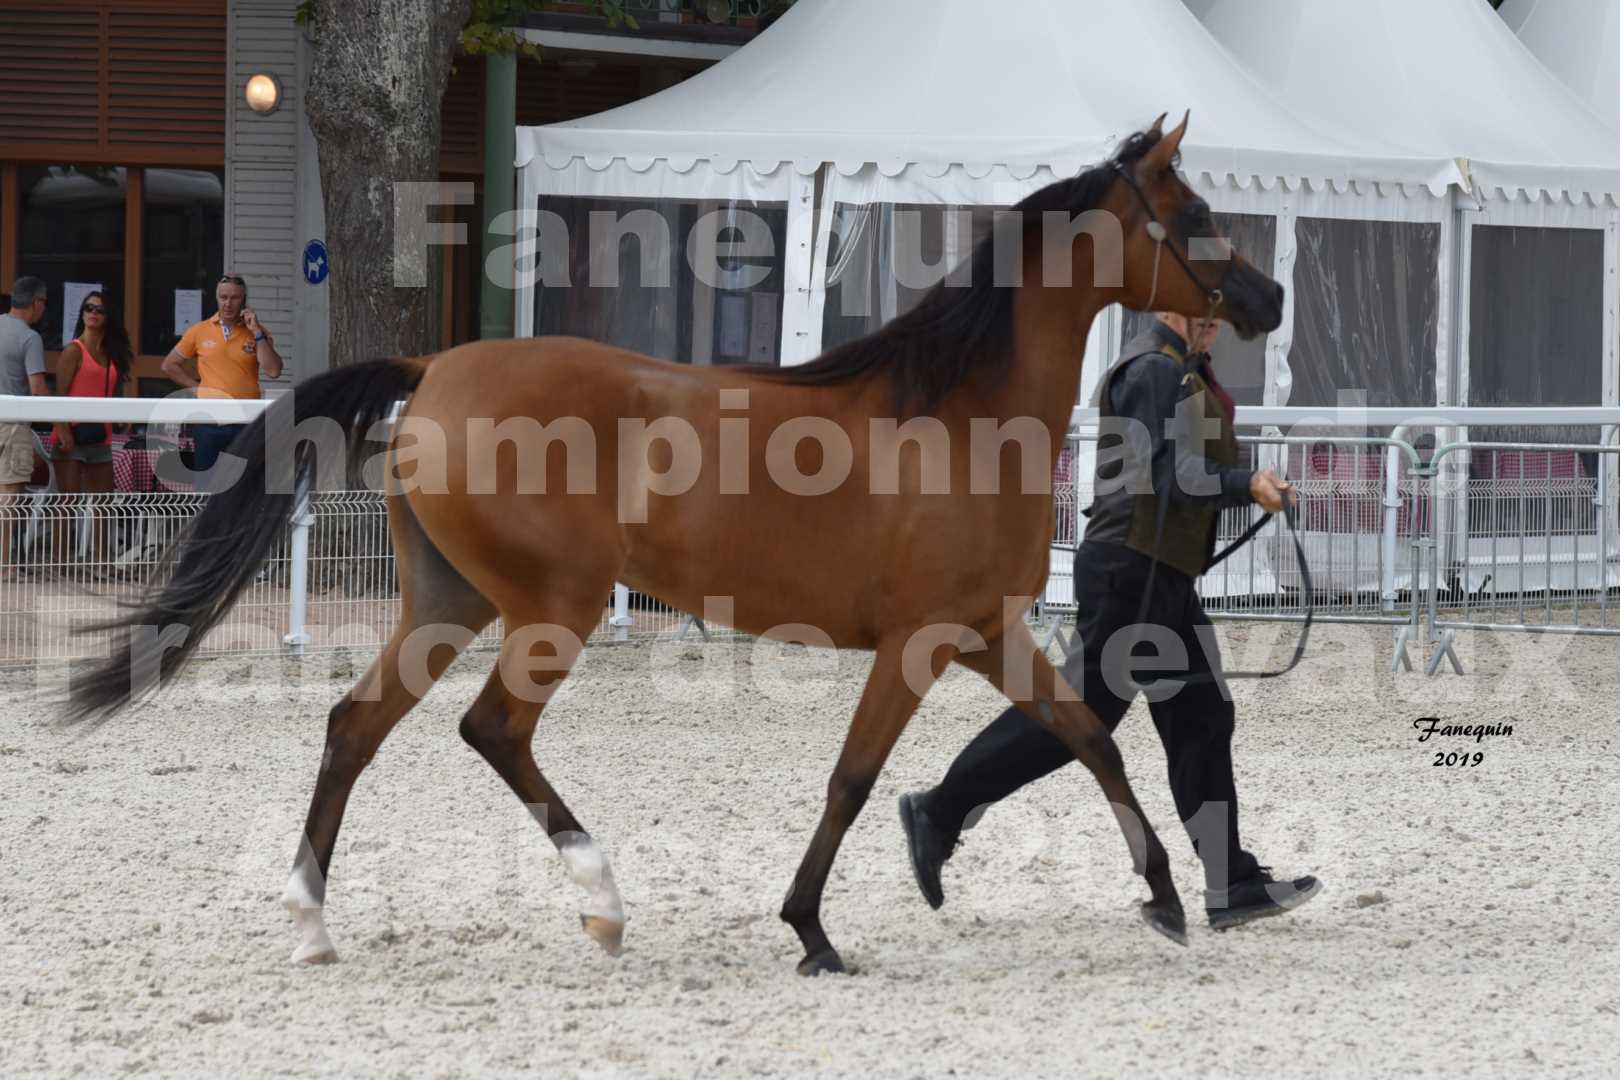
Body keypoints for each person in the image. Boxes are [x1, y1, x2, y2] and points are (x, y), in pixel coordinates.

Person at [899, 312, 1322, 931]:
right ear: (1171, 307)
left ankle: (1229, 881)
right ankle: (939, 811)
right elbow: (1165, 474)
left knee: (1201, 717)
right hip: (1132, 571)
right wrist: (1246, 483)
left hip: (1160, 576)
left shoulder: (1176, 367)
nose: (1218, 326)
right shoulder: (1151, 369)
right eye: (1206, 312)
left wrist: (1244, 481)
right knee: (1074, 721)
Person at [161, 274, 282, 477]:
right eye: (223, 297)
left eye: (234, 298)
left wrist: (257, 332)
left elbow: (274, 371)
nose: (228, 303)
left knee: (243, 487)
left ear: (243, 300)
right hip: (209, 421)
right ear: (217, 298)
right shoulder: (198, 331)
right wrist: (197, 389)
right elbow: (169, 365)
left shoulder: (258, 332)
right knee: (206, 487)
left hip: (246, 421)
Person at [52, 290, 133, 570]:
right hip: (71, 434)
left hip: (101, 434)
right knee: (68, 501)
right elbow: (58, 395)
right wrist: (62, 429)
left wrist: (124, 415)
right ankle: (59, 564)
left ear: (108, 317)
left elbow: (112, 393)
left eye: (99, 309)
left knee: (104, 502)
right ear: (82, 313)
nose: (93, 313)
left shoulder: (111, 354)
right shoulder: (73, 350)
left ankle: (103, 563)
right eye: (88, 308)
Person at [0, 277, 52, 578]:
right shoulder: (29, 338)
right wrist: (62, 417)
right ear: (37, 302)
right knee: (9, 496)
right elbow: (37, 387)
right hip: (14, 425)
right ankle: (5, 563)